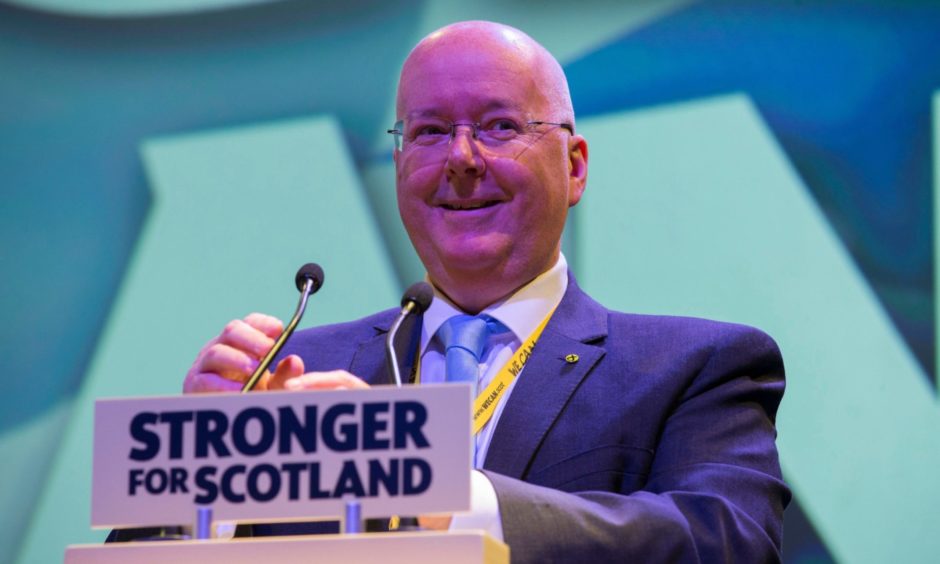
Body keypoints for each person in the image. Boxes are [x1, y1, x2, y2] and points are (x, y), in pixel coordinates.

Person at [182, 20, 790, 563]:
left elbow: (726, 542)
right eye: (429, 131)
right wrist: (204, 471)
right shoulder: (295, 376)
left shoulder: (695, 368)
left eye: (500, 127)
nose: (462, 159)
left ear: (574, 166)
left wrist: (432, 483)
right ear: (398, 164)